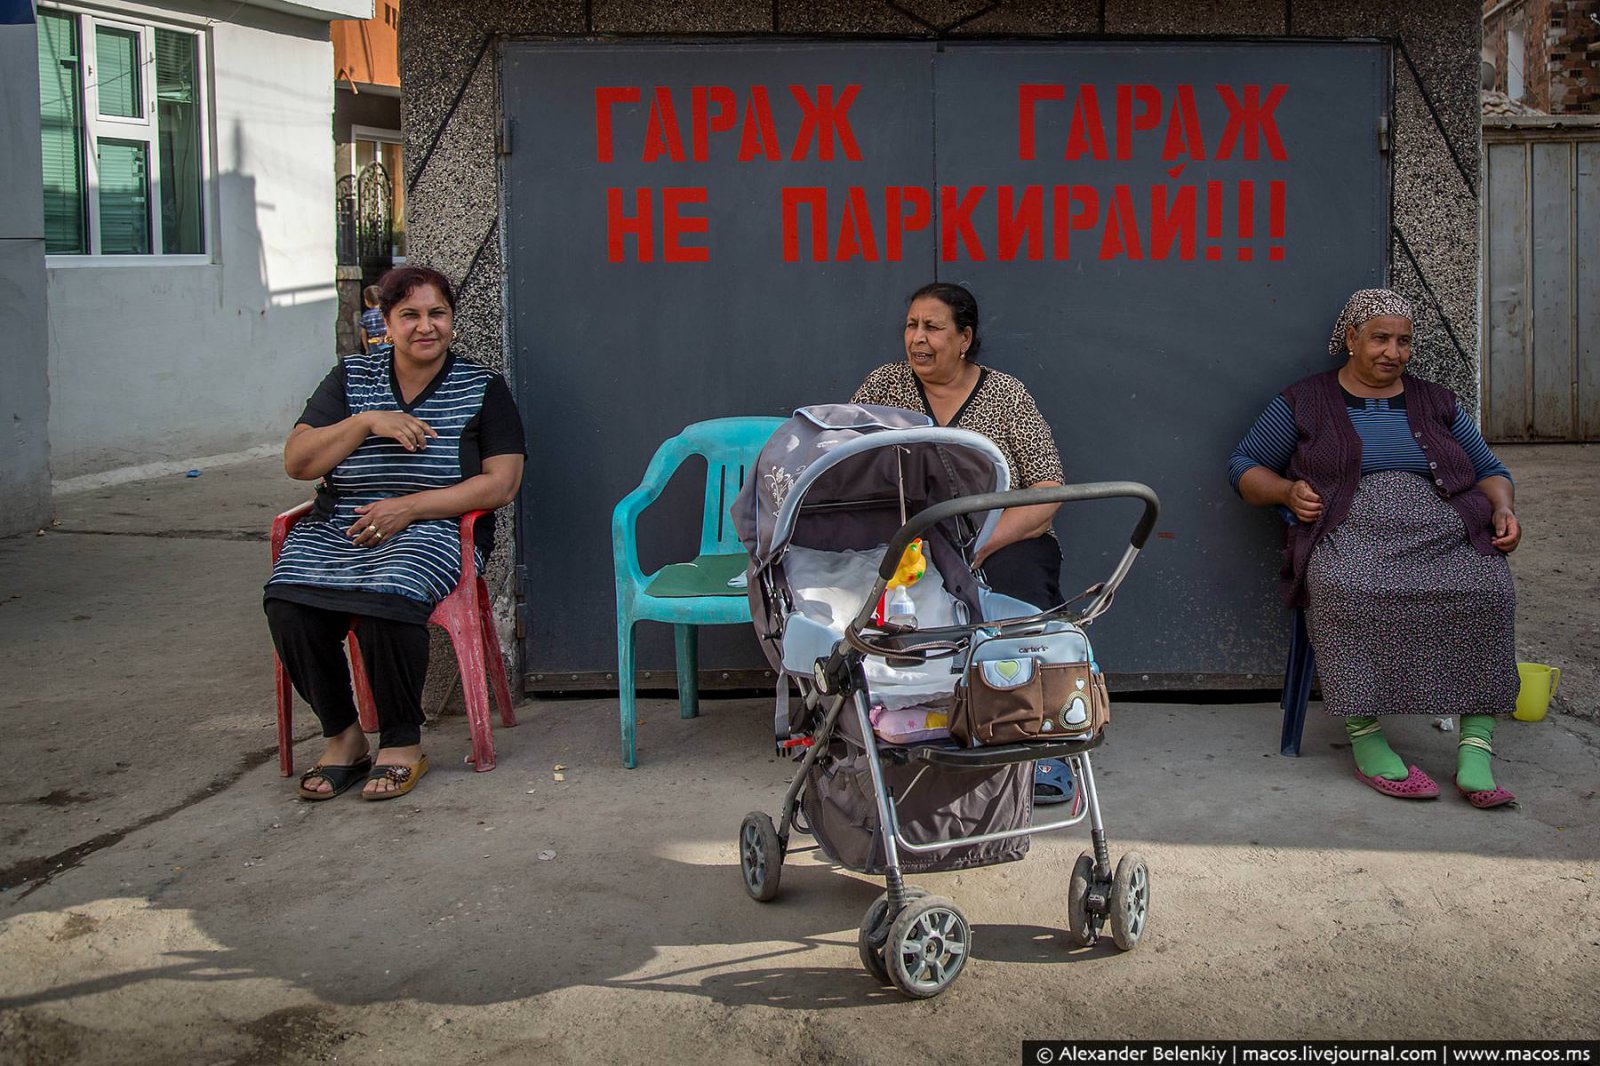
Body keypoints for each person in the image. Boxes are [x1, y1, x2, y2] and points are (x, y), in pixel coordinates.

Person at [1229, 288, 1521, 807]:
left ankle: (1476, 749)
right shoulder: (1306, 400)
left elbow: (1490, 472)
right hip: (1351, 527)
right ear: (1351, 339)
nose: (1393, 352)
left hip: (1444, 525)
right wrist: (1285, 492)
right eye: (1380, 338)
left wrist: (1502, 508)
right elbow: (1244, 467)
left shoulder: (1435, 400)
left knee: (1488, 585)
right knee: (1347, 586)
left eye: (1403, 341)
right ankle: (1365, 737)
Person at [265, 266, 525, 801]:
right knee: (289, 605)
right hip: (341, 526)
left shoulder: (482, 388)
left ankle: (402, 742)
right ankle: (344, 737)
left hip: (436, 530)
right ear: (385, 322)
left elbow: (502, 484)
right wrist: (365, 422)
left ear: (452, 320)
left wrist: (408, 508)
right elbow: (298, 462)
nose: (424, 327)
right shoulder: (350, 380)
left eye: (437, 314)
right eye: (409, 315)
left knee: (389, 597)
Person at [852, 281, 1067, 610]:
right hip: (909, 545)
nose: (918, 338)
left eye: (933, 327)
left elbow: (1048, 487)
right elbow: (844, 458)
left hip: (1001, 541)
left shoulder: (1005, 394)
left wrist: (980, 546)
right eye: (912, 325)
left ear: (964, 338)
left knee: (1018, 610)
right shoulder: (885, 386)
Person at [358, 284, 392, 357]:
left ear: (367, 301)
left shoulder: (365, 315)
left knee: (376, 361)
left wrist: (366, 349)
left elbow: (363, 333)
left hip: (373, 343)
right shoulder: (386, 312)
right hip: (387, 341)